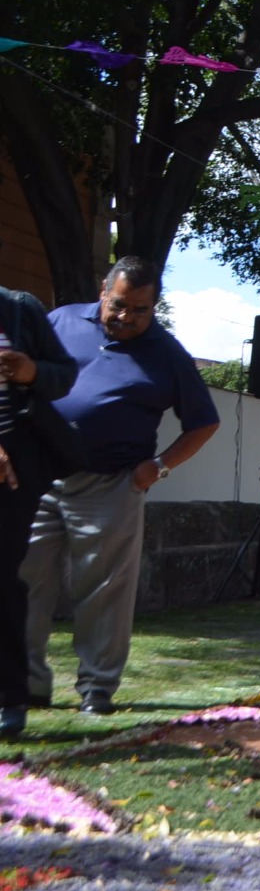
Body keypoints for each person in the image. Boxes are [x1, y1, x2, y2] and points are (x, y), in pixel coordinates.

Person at [23, 257, 221, 715]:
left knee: (104, 592)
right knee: (20, 582)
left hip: (110, 484)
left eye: (140, 310)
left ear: (155, 307)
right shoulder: (59, 322)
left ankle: (96, 688)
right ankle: (23, 684)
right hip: (37, 477)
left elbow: (203, 422)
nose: (127, 317)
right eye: (119, 305)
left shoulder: (167, 353)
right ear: (102, 291)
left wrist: (159, 466)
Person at [0, 286, 77, 737]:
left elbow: (64, 374)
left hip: (12, 479)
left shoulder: (20, 310)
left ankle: (11, 697)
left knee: (3, 581)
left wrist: (31, 372)